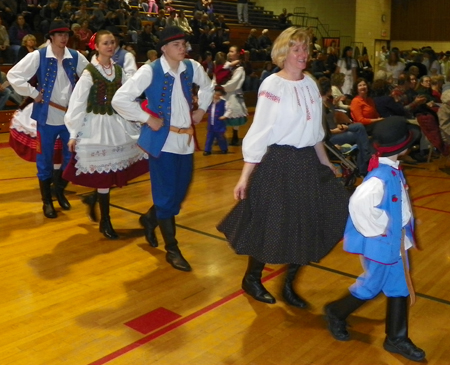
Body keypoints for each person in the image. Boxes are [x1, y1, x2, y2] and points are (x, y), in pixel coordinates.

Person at [217, 27, 349, 307]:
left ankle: (288, 284)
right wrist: (244, 176)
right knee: (271, 222)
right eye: (297, 49)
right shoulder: (272, 86)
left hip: (307, 163)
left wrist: (327, 165)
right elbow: (260, 130)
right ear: (283, 52)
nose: (303, 54)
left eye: (306, 48)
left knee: (308, 223)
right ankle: (252, 278)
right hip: (278, 162)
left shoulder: (311, 83)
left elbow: (314, 132)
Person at [324, 117, 426, 363]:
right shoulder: (379, 178)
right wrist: (381, 228)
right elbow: (359, 204)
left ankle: (396, 338)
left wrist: (405, 220)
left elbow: (396, 201)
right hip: (380, 245)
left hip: (393, 244)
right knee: (371, 286)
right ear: (403, 148)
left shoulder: (391, 170)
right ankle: (336, 312)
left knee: (399, 288)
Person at [112, 26, 213, 271]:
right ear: (164, 48)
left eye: (184, 44)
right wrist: (146, 118)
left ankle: (149, 218)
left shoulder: (192, 67)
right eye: (177, 45)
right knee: (167, 197)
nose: (183, 48)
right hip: (163, 143)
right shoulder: (150, 70)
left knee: (179, 193)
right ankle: (172, 249)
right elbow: (120, 99)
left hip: (185, 141)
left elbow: (209, 87)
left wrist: (201, 110)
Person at [63, 30, 148, 239]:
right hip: (96, 126)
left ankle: (95, 203)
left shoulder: (119, 71)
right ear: (97, 47)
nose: (110, 46)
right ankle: (105, 221)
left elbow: (131, 94)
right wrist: (73, 133)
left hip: (117, 124)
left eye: (112, 42)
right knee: (103, 175)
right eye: (105, 43)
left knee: (113, 170)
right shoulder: (89, 73)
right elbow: (77, 103)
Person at [7, 20, 90, 219]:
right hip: (46, 117)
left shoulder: (76, 57)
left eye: (66, 35)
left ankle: (59, 191)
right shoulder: (39, 56)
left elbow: (91, 77)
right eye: (60, 35)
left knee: (70, 159)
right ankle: (47, 202)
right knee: (44, 161)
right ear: (51, 37)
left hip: (69, 118)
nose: (64, 38)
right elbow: (13, 75)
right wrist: (34, 93)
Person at [222, 46, 248, 145]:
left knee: (234, 111)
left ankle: (235, 135)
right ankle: (220, 135)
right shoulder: (226, 65)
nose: (230, 53)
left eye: (232, 51)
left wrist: (223, 87)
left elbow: (235, 82)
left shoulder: (240, 68)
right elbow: (219, 73)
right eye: (229, 51)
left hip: (233, 92)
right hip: (223, 93)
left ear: (237, 54)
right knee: (220, 114)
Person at [203, 85, 228, 155]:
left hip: (219, 124)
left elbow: (229, 110)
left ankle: (224, 148)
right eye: (215, 94)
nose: (216, 96)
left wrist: (225, 116)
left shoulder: (224, 102)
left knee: (221, 137)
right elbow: (207, 109)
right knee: (209, 138)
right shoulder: (210, 102)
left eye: (218, 95)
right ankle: (207, 150)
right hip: (211, 124)